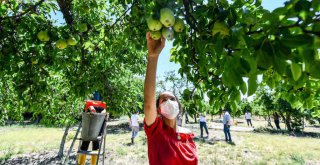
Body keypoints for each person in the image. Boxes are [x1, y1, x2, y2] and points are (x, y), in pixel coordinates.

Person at [143, 32, 198, 165]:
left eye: (172, 99)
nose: (169, 101)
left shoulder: (188, 134)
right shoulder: (156, 131)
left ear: (178, 105)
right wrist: (153, 56)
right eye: (163, 99)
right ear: (158, 109)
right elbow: (148, 105)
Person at [78, 99, 107, 165]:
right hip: (91, 129)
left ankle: (91, 164)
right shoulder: (91, 105)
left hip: (94, 129)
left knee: (92, 146)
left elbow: (103, 111)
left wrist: (101, 113)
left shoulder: (100, 106)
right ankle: (82, 163)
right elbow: (90, 110)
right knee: (86, 146)